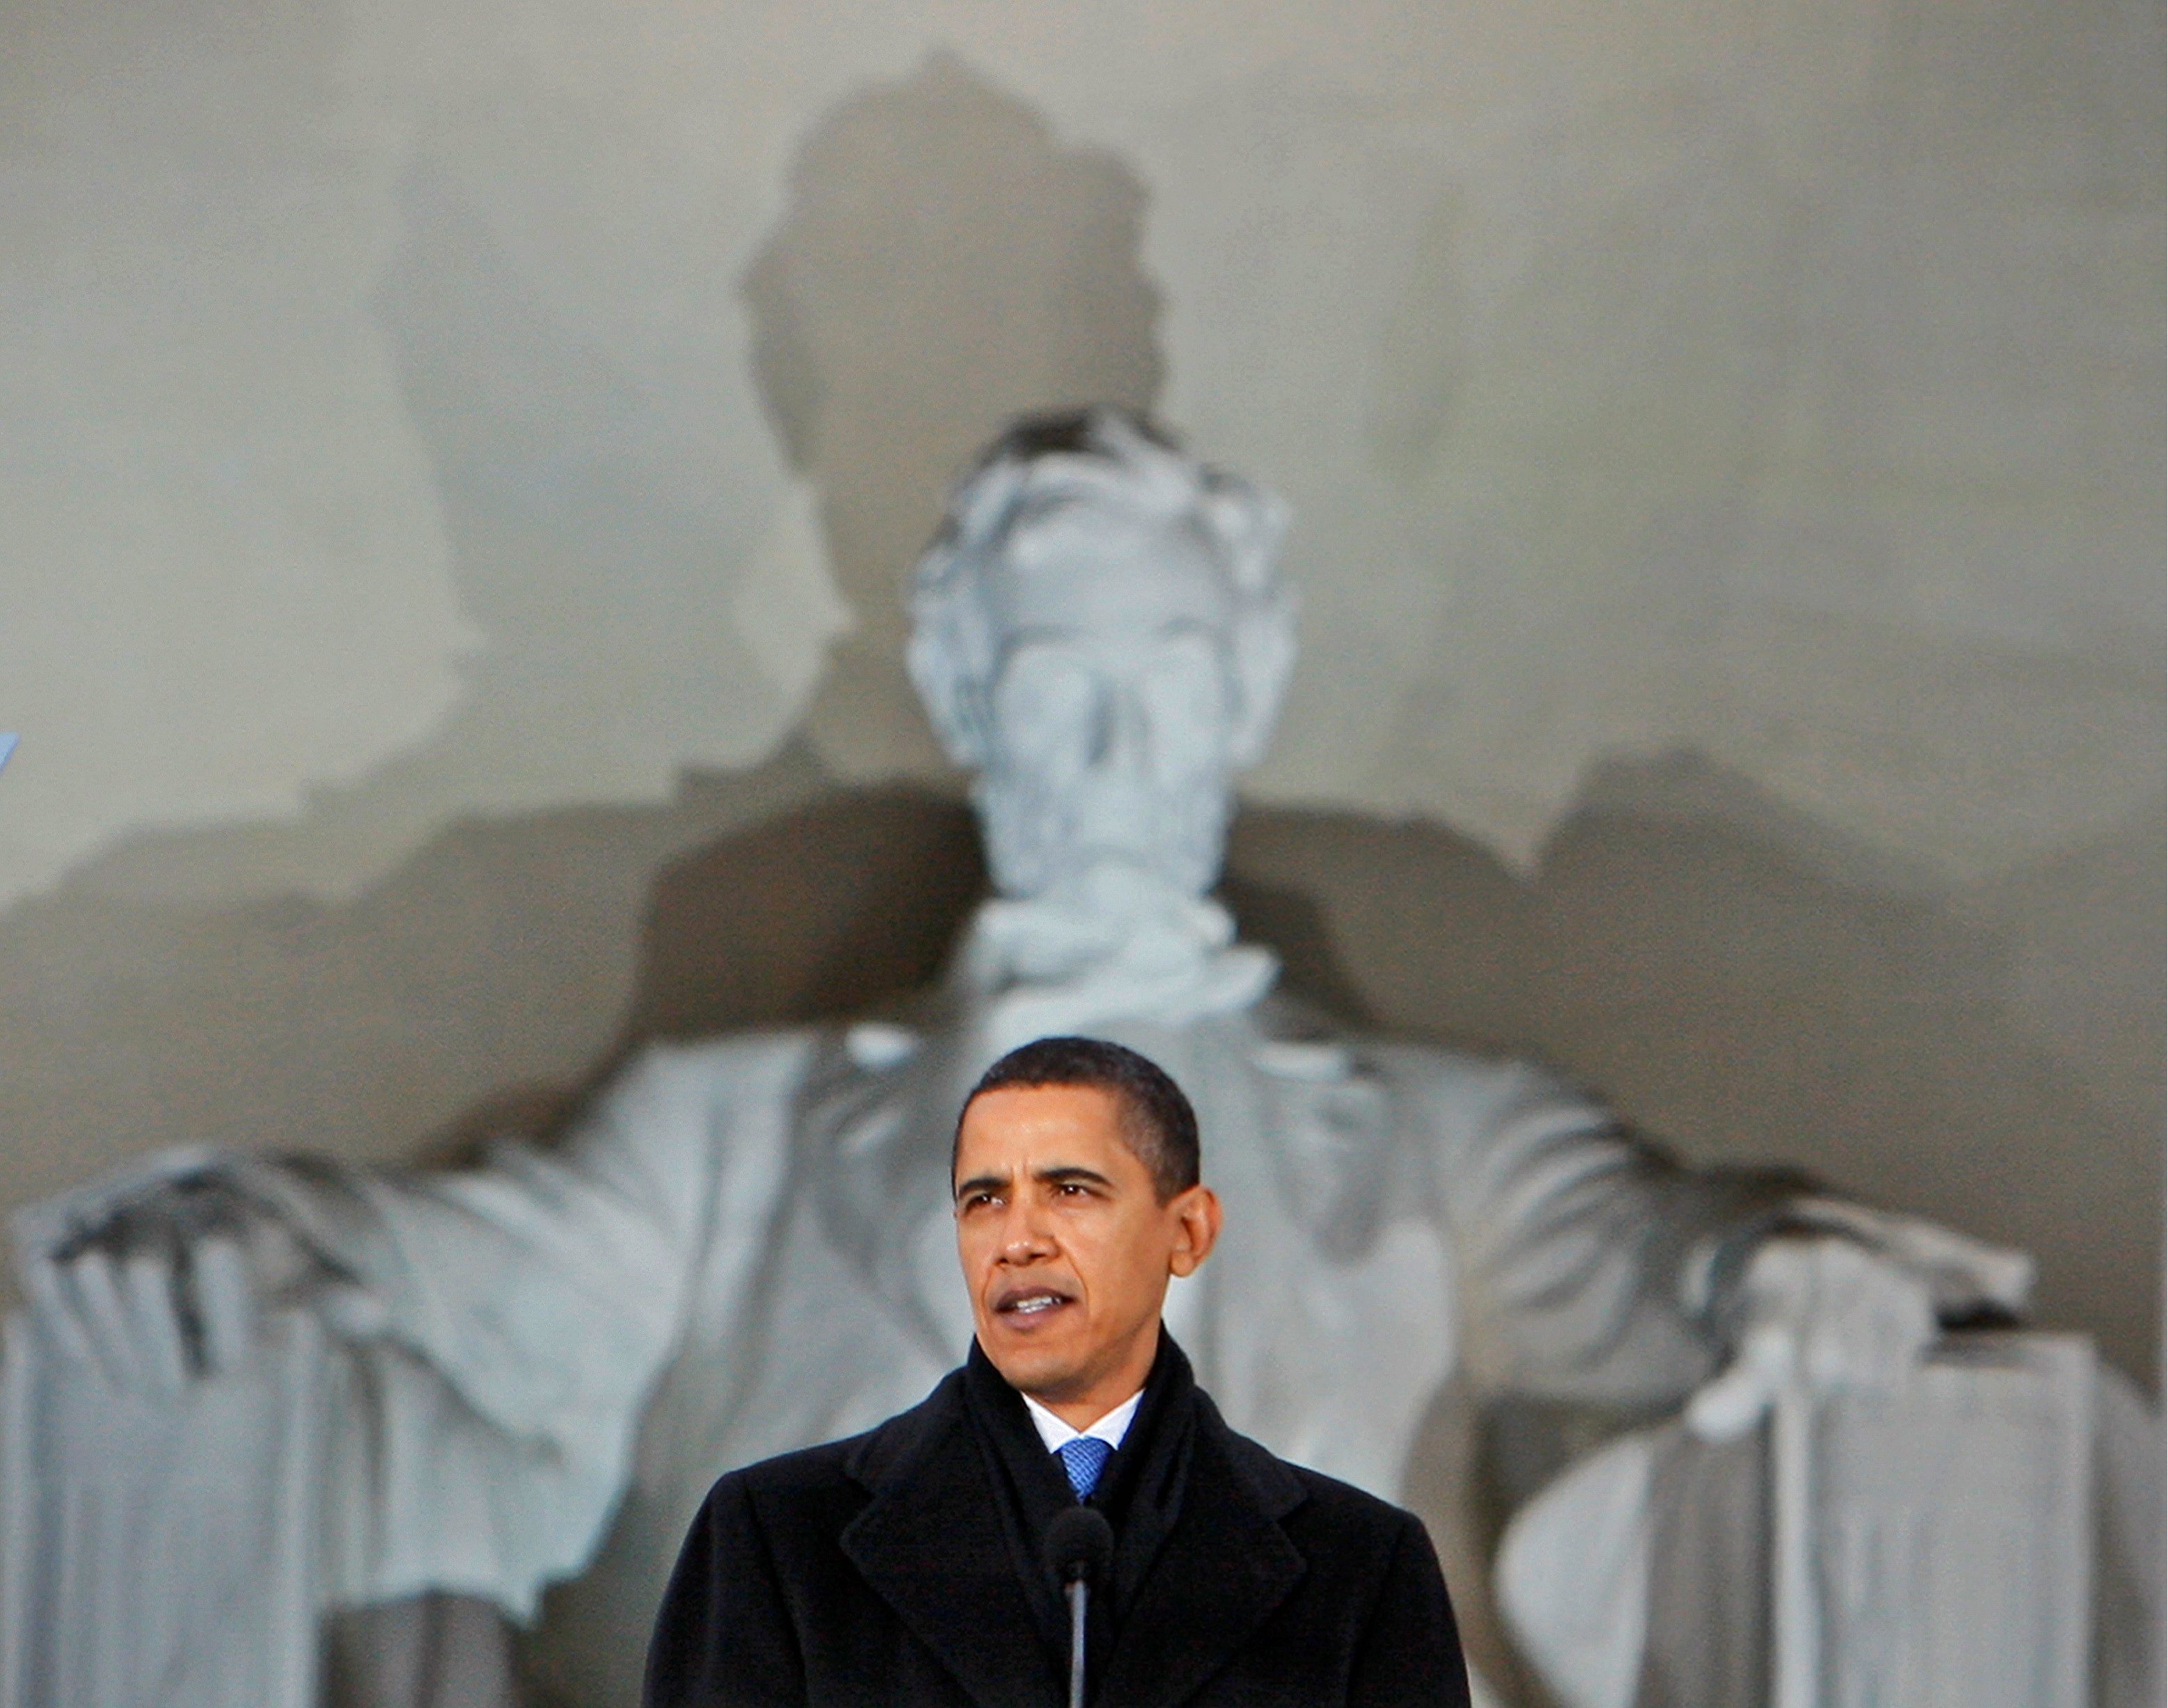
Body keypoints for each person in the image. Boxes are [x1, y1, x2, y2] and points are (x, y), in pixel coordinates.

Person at [13, 408, 2093, 1708]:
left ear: (1246, 691)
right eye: (1053, 679)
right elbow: (441, 1269)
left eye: (1167, 680)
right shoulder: (724, 1136)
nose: (1110, 749)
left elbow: (1670, 1252)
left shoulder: (1442, 1141)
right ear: (961, 691)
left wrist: (1779, 1271)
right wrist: (253, 1236)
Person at [646, 1034, 1471, 1707]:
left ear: (1187, 1231)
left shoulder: (1358, 1567)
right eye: (983, 1200)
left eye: (1070, 1190)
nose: (1017, 1240)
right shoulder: (779, 1538)